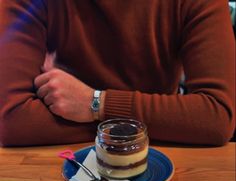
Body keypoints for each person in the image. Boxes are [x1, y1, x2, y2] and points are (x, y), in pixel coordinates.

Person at [0, 0, 234, 147]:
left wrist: (96, 104)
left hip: (161, 163)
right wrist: (166, 122)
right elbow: (12, 121)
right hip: (63, 162)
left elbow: (216, 117)